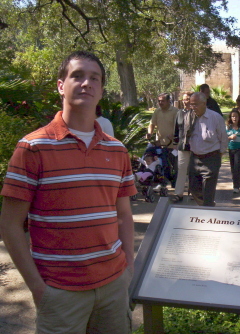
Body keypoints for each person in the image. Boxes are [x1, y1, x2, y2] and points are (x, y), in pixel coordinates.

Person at [0, 51, 137, 333]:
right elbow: (10, 224)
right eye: (77, 75)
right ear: (61, 85)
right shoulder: (32, 148)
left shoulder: (117, 150)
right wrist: (38, 289)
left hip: (113, 287)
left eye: (94, 78)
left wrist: (129, 272)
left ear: (100, 90)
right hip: (59, 293)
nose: (86, 83)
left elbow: (123, 216)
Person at [188, 92, 228, 206]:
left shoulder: (215, 117)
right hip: (195, 158)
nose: (193, 108)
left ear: (204, 104)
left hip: (211, 158)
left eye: (195, 104)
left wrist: (219, 155)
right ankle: (204, 205)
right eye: (191, 104)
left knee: (208, 192)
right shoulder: (189, 117)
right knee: (193, 188)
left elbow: (223, 138)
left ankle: (207, 210)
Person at [146, 93, 178, 183]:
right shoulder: (157, 111)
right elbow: (152, 124)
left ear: (168, 101)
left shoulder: (175, 111)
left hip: (172, 145)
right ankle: (164, 181)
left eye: (162, 101)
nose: (160, 103)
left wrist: (174, 136)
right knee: (163, 164)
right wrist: (149, 133)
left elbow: (179, 127)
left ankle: (175, 184)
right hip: (160, 143)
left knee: (175, 166)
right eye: (159, 101)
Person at [172, 91, 195, 203]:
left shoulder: (196, 113)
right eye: (184, 99)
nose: (185, 101)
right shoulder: (179, 113)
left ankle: (193, 192)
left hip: (194, 145)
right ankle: (178, 193)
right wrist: (175, 143)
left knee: (193, 169)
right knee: (181, 169)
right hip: (182, 145)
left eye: (188, 99)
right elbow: (176, 130)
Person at [226, 110, 240, 193]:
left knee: (237, 167)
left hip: (239, 149)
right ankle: (236, 181)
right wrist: (230, 137)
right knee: (233, 168)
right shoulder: (228, 127)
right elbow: (224, 138)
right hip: (231, 149)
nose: (234, 118)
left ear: (239, 118)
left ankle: (236, 186)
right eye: (232, 116)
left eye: (236, 116)